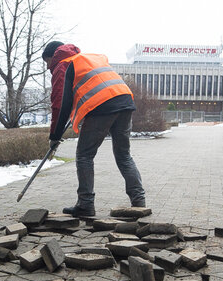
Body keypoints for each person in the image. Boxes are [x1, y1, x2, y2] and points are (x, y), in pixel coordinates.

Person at [43, 41, 146, 217]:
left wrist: (55, 135)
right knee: (123, 155)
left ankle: (85, 204)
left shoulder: (63, 65)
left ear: (53, 56)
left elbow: (60, 105)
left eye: (47, 62)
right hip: (125, 102)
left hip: (102, 107)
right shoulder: (89, 59)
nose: (48, 67)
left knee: (84, 155)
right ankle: (139, 201)